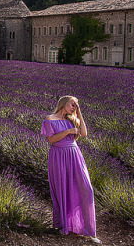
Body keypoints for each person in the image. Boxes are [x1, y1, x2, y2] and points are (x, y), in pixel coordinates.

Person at [41, 95, 101, 244]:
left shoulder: (72, 119)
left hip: (74, 155)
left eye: (76, 106)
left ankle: (88, 229)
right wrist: (68, 132)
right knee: (62, 189)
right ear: (63, 104)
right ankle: (64, 226)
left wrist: (79, 113)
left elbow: (84, 133)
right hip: (58, 155)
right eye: (72, 105)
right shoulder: (50, 119)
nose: (74, 107)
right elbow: (51, 140)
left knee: (86, 189)